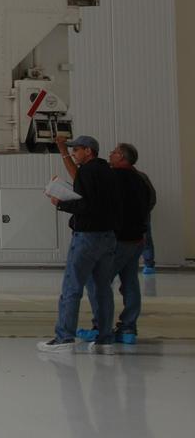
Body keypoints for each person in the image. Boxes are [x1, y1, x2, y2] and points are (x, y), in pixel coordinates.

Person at [38, 134, 119, 352]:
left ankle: (64, 337)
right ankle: (105, 338)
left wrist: (60, 202)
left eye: (77, 150)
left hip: (87, 237)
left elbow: (86, 205)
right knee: (102, 289)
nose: (74, 154)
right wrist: (63, 149)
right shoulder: (108, 172)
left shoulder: (86, 172)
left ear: (88, 151)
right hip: (108, 237)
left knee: (72, 288)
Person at [78, 142, 155, 344]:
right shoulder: (141, 178)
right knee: (130, 282)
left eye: (113, 152)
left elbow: (100, 202)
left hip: (118, 240)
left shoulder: (113, 178)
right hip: (137, 239)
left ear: (121, 157)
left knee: (97, 282)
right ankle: (128, 329)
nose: (110, 155)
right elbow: (150, 202)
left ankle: (100, 327)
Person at [136, 161, 158, 275]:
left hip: (141, 215)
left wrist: (145, 211)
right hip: (126, 216)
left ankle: (149, 264)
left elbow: (151, 196)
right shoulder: (113, 175)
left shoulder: (140, 176)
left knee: (146, 239)